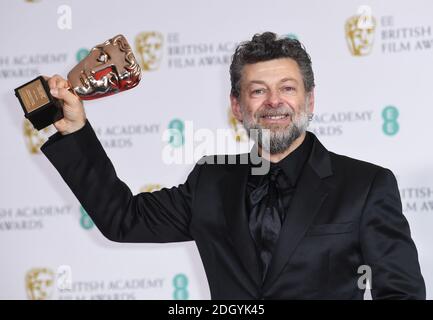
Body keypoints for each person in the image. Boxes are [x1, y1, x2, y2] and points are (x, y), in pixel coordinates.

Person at [41, 32, 425, 299]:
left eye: (287, 88)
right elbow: (121, 219)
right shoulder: (212, 179)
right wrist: (76, 129)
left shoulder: (366, 185)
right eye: (258, 90)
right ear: (237, 106)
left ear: (309, 101)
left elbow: (402, 293)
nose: (274, 102)